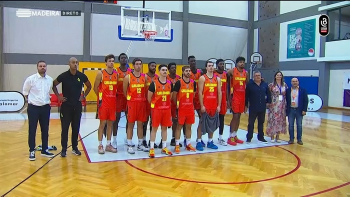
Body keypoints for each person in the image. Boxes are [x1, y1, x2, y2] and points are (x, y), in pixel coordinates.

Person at [52, 57, 92, 157]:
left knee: (76, 128)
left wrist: (84, 96)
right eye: (73, 62)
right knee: (65, 128)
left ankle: (75, 147)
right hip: (66, 106)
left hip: (77, 106)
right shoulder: (63, 76)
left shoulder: (81, 76)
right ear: (69, 64)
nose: (75, 64)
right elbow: (53, 84)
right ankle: (64, 149)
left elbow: (89, 86)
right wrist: (58, 96)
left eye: (76, 63)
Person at [23, 60, 54, 160]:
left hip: (45, 108)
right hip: (33, 108)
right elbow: (25, 92)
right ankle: (32, 150)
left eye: (44, 66)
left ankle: (44, 149)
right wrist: (32, 102)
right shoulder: (31, 79)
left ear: (46, 67)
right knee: (32, 130)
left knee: (45, 129)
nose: (42, 67)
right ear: (37, 67)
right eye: (40, 66)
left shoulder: (50, 79)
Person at [93, 54, 118, 154]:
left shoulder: (116, 74)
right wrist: (101, 98)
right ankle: (100, 145)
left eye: (113, 61)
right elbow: (95, 88)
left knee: (110, 124)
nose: (111, 62)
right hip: (103, 103)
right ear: (106, 62)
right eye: (109, 61)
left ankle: (108, 144)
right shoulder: (101, 73)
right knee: (102, 124)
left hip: (113, 103)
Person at [123, 58, 149, 154]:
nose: (138, 66)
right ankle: (129, 144)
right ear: (133, 65)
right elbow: (124, 91)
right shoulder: (128, 77)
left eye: (140, 64)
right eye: (137, 64)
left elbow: (145, 90)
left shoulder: (144, 77)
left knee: (140, 124)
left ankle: (140, 144)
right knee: (131, 124)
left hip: (141, 103)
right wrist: (130, 99)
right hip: (132, 104)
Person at [147, 64, 173, 158]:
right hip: (157, 110)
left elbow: (171, 96)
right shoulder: (153, 83)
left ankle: (164, 147)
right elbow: (149, 97)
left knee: (165, 128)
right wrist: (154, 106)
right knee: (154, 129)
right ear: (159, 72)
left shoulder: (170, 83)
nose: (165, 71)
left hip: (166, 109)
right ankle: (152, 148)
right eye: (163, 70)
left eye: (166, 70)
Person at [196, 61, 221, 151]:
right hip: (205, 105)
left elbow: (219, 92)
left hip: (214, 105)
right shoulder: (202, 78)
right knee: (201, 123)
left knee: (213, 124)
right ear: (206, 68)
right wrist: (202, 105)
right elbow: (199, 92)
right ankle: (199, 141)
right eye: (209, 66)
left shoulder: (217, 79)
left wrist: (219, 105)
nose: (211, 67)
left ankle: (210, 141)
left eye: (212, 66)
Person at [172, 65, 197, 153]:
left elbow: (193, 95)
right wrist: (177, 105)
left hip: (190, 108)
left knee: (189, 127)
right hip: (181, 108)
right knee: (179, 127)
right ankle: (177, 145)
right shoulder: (179, 83)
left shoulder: (193, 83)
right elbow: (174, 95)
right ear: (182, 72)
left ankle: (188, 144)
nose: (188, 72)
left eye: (189, 71)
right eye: (186, 71)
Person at [245, 71, 271, 144]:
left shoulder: (265, 84)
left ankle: (261, 137)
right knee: (251, 123)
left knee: (261, 123)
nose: (257, 77)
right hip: (253, 107)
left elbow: (268, 94)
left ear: (261, 76)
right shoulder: (250, 85)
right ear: (253, 77)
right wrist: (246, 105)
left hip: (262, 107)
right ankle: (249, 137)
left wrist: (269, 102)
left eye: (259, 75)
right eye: (256, 75)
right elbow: (246, 96)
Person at [226, 57, 247, 146]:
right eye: (240, 62)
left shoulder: (246, 73)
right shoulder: (231, 71)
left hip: (242, 97)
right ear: (237, 63)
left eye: (243, 62)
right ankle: (230, 137)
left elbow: (247, 86)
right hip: (235, 97)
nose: (242, 63)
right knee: (235, 116)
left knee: (239, 116)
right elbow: (226, 81)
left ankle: (235, 135)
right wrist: (228, 99)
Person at [115, 53, 132, 148]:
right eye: (122, 58)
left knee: (129, 119)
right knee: (116, 119)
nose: (124, 59)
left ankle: (127, 138)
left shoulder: (131, 72)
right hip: (118, 98)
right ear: (119, 60)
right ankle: (114, 139)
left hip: (128, 98)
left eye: (125, 58)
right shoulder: (115, 71)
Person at [266, 71, 288, 143]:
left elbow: (287, 95)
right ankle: (272, 135)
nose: (279, 76)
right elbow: (268, 95)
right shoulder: (271, 85)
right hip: (274, 104)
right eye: (277, 75)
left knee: (280, 120)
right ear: (275, 76)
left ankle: (278, 136)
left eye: (280, 75)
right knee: (273, 119)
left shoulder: (285, 85)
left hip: (282, 105)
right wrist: (268, 103)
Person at [286, 77, 308, 145]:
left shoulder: (303, 90)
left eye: (296, 81)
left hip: (299, 110)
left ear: (298, 82)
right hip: (291, 110)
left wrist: (304, 110)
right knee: (290, 125)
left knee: (299, 125)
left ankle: (299, 139)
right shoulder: (288, 90)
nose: (294, 82)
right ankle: (291, 139)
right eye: (293, 81)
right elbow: (286, 100)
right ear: (291, 82)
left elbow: (306, 100)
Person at [188, 55, 203, 147]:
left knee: (202, 118)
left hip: (199, 98)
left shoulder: (200, 72)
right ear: (188, 63)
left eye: (194, 61)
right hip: (189, 99)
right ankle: (187, 139)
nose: (193, 62)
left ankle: (199, 139)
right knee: (188, 121)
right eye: (191, 61)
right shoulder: (187, 73)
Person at [143, 62, 159, 148]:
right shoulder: (144, 77)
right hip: (145, 103)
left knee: (153, 123)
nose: (154, 67)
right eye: (152, 66)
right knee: (144, 123)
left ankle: (151, 141)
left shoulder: (157, 77)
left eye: (155, 66)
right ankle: (144, 140)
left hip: (155, 104)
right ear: (148, 66)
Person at [214, 59, 229, 146]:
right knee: (212, 119)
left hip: (223, 99)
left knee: (222, 119)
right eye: (220, 64)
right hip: (214, 99)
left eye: (223, 64)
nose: (222, 65)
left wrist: (228, 99)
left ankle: (220, 137)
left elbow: (227, 88)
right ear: (217, 65)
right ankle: (210, 139)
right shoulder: (214, 74)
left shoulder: (225, 74)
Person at [167, 62, 182, 147]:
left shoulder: (179, 79)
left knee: (175, 122)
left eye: (175, 67)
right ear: (169, 70)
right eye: (172, 68)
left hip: (175, 103)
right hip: (167, 103)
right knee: (165, 122)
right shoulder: (166, 78)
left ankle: (174, 138)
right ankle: (163, 140)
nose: (174, 69)